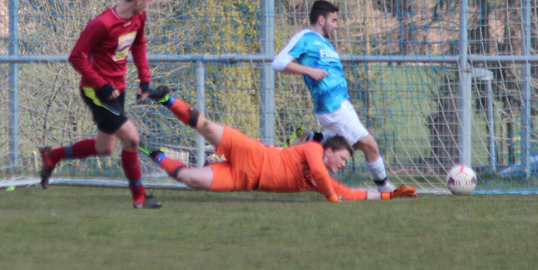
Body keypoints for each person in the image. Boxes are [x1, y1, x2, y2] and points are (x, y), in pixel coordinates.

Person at [140, 86, 418, 201]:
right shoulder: (312, 150)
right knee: (207, 127)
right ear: (329, 151)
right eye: (343, 159)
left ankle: (152, 151)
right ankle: (167, 99)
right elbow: (326, 181)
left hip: (245, 179)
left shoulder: (325, 179)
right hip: (252, 153)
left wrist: (388, 195)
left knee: (191, 178)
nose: (343, 165)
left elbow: (350, 193)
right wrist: (332, 197)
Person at [39, 0, 161, 209]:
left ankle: (52, 155)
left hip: (118, 90)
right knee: (132, 139)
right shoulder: (102, 24)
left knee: (105, 148)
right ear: (138, 0)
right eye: (150, 0)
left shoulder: (138, 17)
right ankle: (140, 197)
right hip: (97, 91)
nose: (150, 4)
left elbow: (138, 44)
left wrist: (145, 80)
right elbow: (76, 57)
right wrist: (101, 84)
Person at [272, 0, 396, 193]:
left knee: (339, 144)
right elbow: (278, 62)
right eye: (334, 20)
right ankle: (385, 188)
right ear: (321, 20)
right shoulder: (305, 37)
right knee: (368, 144)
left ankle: (306, 141)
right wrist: (309, 71)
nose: (336, 25)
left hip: (339, 104)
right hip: (333, 107)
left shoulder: (326, 44)